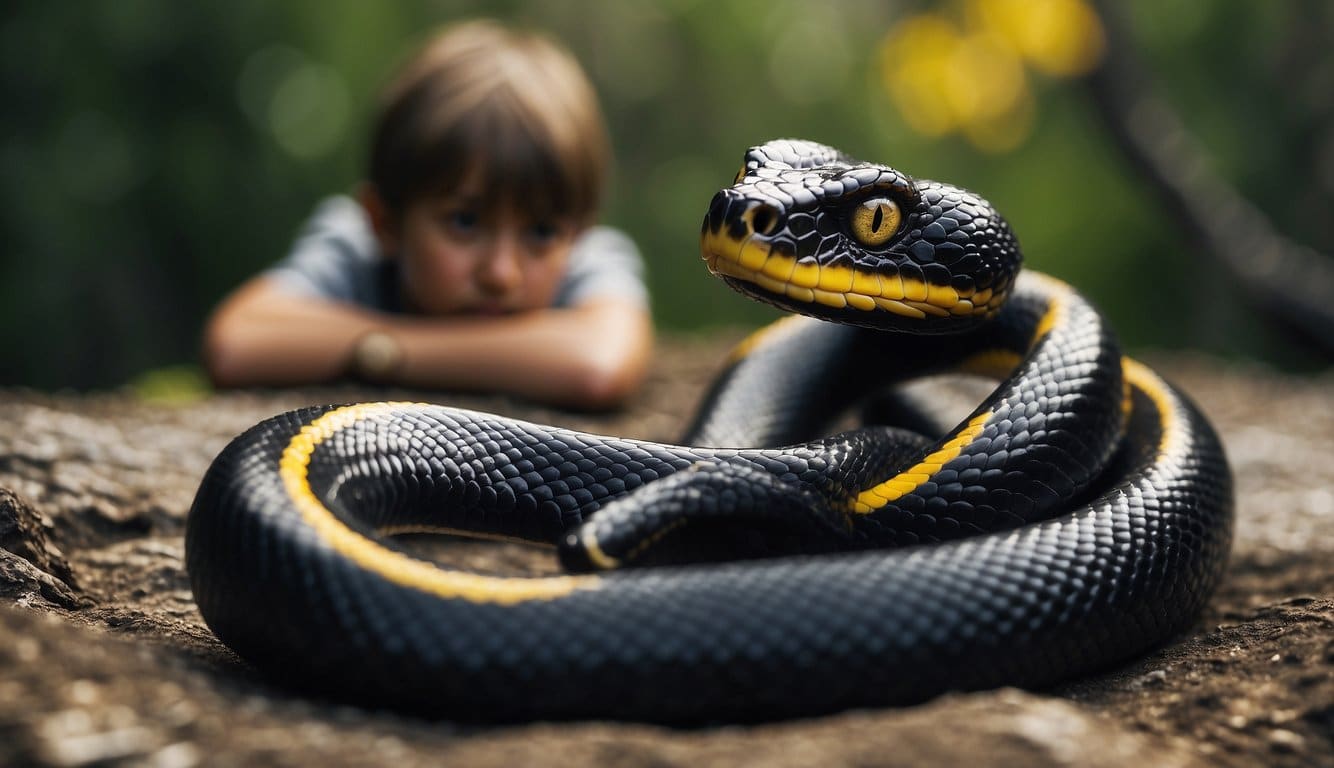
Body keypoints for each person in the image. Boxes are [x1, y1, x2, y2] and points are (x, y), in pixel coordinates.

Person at [203, 20, 652, 410]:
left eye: (540, 231)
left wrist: (381, 350)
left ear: (577, 233)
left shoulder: (590, 256)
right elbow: (238, 341)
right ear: (384, 223)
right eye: (465, 222)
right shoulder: (352, 244)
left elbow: (599, 364)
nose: (501, 273)